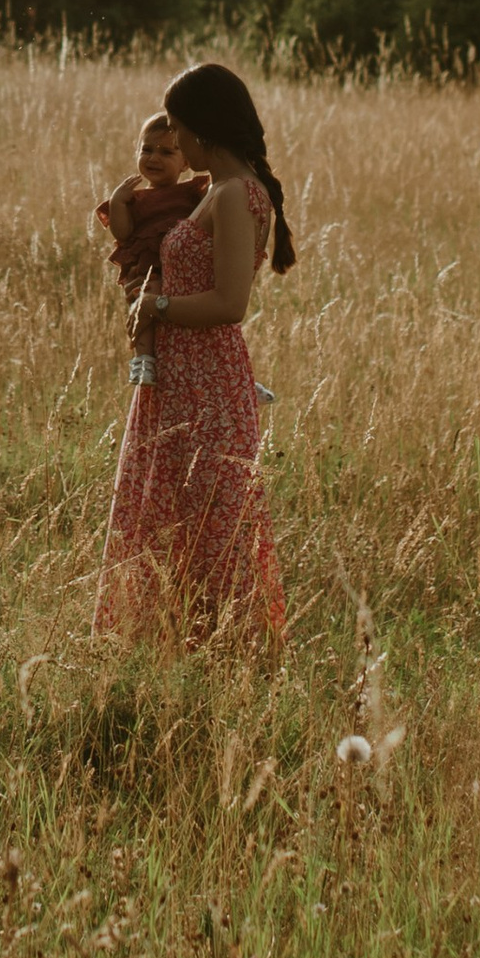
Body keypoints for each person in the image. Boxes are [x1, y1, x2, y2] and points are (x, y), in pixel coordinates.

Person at [94, 61, 292, 644]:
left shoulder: (234, 195)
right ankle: (173, 655)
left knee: (208, 528)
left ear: (202, 128)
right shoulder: (222, 191)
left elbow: (230, 303)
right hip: (183, 378)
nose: (171, 142)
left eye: (176, 129)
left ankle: (219, 657)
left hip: (206, 380)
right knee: (177, 522)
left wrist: (155, 310)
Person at [94, 112, 209, 321]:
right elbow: (123, 233)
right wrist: (117, 203)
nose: (153, 158)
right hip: (147, 270)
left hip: (181, 270)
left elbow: (212, 203)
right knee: (143, 302)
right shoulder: (134, 199)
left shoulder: (191, 192)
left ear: (185, 163)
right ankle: (143, 352)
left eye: (166, 153)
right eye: (146, 150)